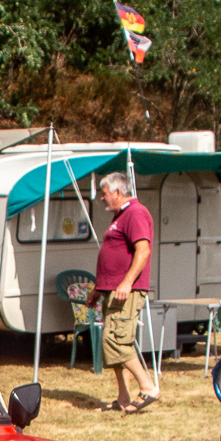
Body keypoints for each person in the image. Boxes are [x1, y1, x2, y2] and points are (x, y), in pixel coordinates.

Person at [87, 172, 158, 413]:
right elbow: (114, 257)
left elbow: (143, 250)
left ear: (118, 193)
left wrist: (127, 283)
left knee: (116, 340)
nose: (102, 198)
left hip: (126, 292)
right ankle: (124, 398)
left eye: (104, 194)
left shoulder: (136, 212)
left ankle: (148, 387)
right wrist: (98, 290)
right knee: (112, 344)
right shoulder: (121, 215)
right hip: (113, 291)